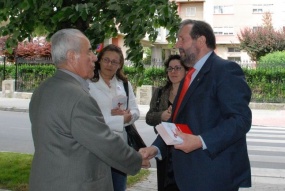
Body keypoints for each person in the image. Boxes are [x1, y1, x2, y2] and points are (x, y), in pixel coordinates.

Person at [29, 29, 150, 191]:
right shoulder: (78, 97)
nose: (94, 57)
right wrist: (136, 159)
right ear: (72, 56)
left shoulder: (43, 88)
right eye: (89, 51)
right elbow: (104, 141)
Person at [140, 19, 252, 191]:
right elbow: (176, 123)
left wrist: (201, 141)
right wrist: (155, 148)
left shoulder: (225, 71)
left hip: (213, 178)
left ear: (201, 41)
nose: (177, 44)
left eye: (182, 39)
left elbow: (240, 120)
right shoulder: (190, 76)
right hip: (185, 177)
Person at [89, 44, 140, 191]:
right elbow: (89, 118)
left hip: (119, 147)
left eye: (114, 62)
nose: (109, 65)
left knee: (118, 186)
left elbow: (135, 110)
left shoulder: (124, 84)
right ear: (99, 60)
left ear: (120, 65)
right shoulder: (87, 83)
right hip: (96, 147)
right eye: (106, 60)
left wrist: (128, 116)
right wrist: (119, 120)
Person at [145, 54, 189, 191]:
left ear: (186, 71)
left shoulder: (191, 93)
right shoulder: (160, 92)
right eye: (170, 69)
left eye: (177, 68)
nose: (173, 72)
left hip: (185, 149)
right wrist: (161, 116)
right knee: (165, 185)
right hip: (163, 148)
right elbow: (149, 117)